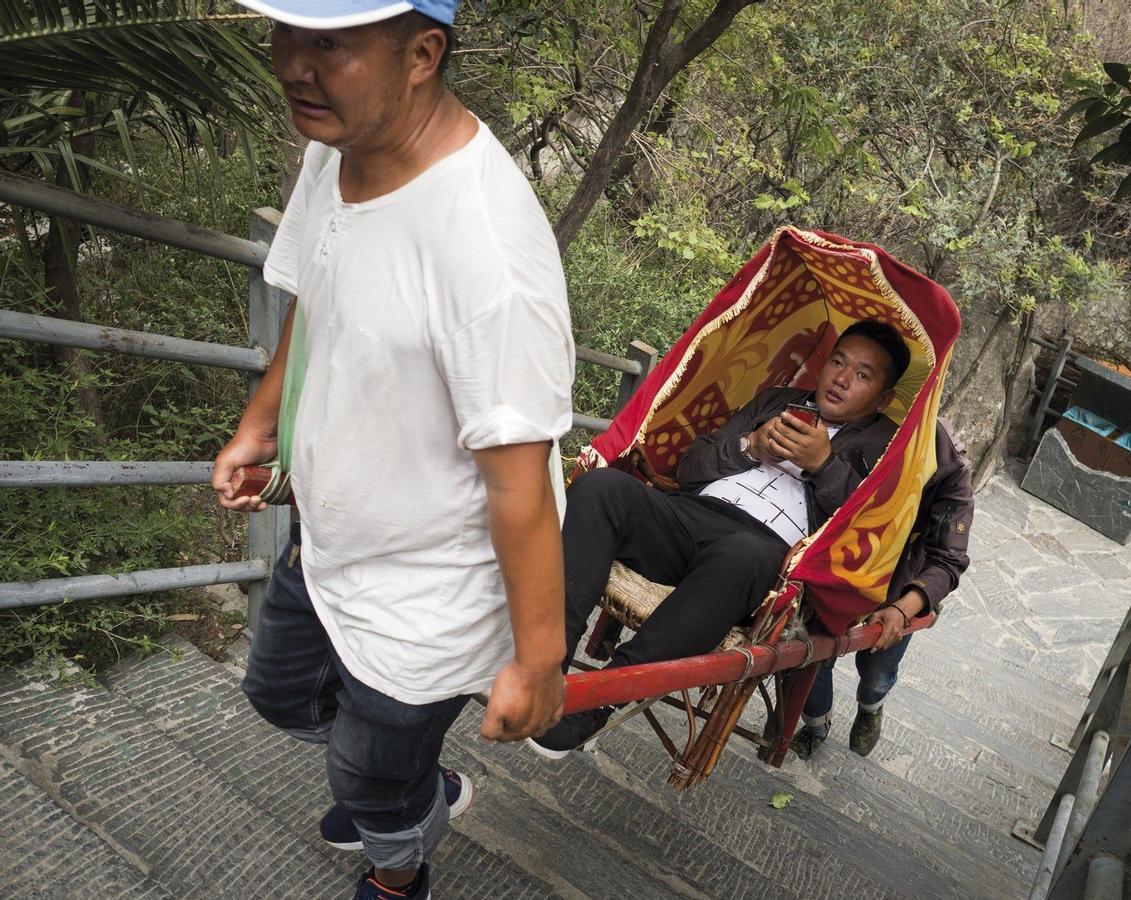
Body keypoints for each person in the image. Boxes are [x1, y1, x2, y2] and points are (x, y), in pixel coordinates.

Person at [211, 3, 575, 898]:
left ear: (421, 54)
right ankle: (410, 784)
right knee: (279, 696)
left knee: (364, 778)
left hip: (429, 591)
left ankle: (398, 866)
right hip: (334, 537)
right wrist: (262, 423)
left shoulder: (486, 253)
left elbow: (520, 486)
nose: (292, 64)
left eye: (328, 42)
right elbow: (321, 295)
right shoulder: (340, 145)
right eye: (286, 33)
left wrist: (539, 662)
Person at [531, 320, 911, 758]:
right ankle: (544, 667)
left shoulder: (888, 448)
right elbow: (690, 467)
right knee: (601, 488)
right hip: (689, 516)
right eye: (838, 363)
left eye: (862, 375)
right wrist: (750, 447)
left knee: (745, 553)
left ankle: (599, 698)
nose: (841, 379)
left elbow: (868, 533)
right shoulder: (777, 401)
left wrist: (824, 465)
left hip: (761, 554)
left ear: (883, 398)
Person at [791, 418, 973, 761]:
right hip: (833, 575)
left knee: (877, 672)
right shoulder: (850, 424)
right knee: (810, 664)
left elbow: (949, 558)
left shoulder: (948, 465)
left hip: (899, 588)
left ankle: (871, 708)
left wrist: (905, 608)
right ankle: (815, 727)